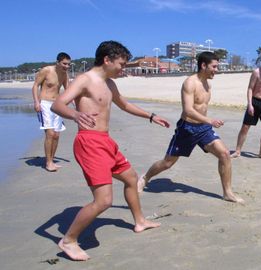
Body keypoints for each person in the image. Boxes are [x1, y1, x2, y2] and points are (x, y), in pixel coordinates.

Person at [51, 41, 170, 260]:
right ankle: (68, 240)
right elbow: (57, 105)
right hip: (89, 143)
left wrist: (151, 116)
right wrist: (76, 115)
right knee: (104, 200)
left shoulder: (109, 84)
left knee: (132, 179)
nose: (123, 69)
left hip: (106, 141)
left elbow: (124, 105)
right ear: (107, 60)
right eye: (121, 64)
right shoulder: (84, 80)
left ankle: (140, 221)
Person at [137, 51, 244, 204]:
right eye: (214, 67)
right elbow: (188, 110)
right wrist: (210, 121)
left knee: (225, 154)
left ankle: (227, 192)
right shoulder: (190, 83)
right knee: (167, 163)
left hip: (204, 129)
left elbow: (201, 108)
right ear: (203, 65)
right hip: (187, 129)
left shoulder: (208, 83)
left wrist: (207, 123)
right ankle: (145, 178)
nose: (216, 70)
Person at [32, 52, 71, 172]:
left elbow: (68, 89)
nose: (67, 66)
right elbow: (35, 85)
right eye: (64, 64)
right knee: (50, 134)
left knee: (56, 135)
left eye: (68, 64)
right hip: (45, 103)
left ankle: (51, 160)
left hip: (57, 105)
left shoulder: (64, 74)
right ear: (57, 62)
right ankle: (48, 162)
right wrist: (36, 102)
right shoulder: (46, 70)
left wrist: (72, 102)